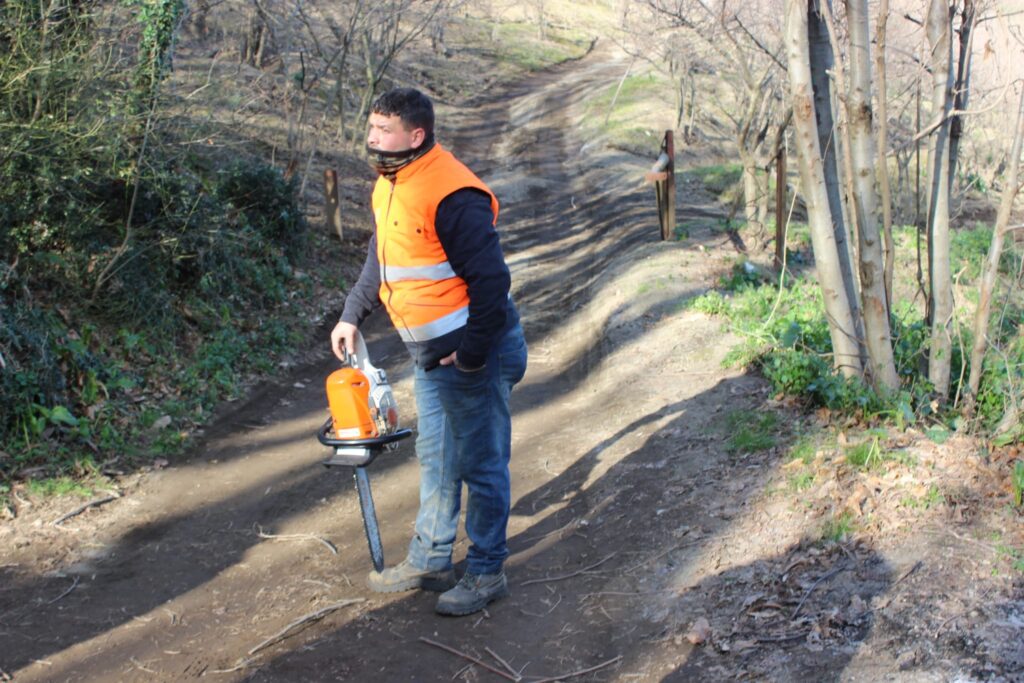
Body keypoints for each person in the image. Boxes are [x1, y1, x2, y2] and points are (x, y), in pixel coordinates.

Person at [330, 87, 527, 617]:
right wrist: (353, 313)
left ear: (415, 136)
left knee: (481, 462)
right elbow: (384, 254)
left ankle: (487, 571)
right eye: (370, 128)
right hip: (432, 354)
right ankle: (431, 558)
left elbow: (491, 284)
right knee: (437, 456)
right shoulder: (391, 184)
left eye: (383, 131)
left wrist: (468, 356)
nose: (372, 139)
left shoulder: (451, 193)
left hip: (472, 352)